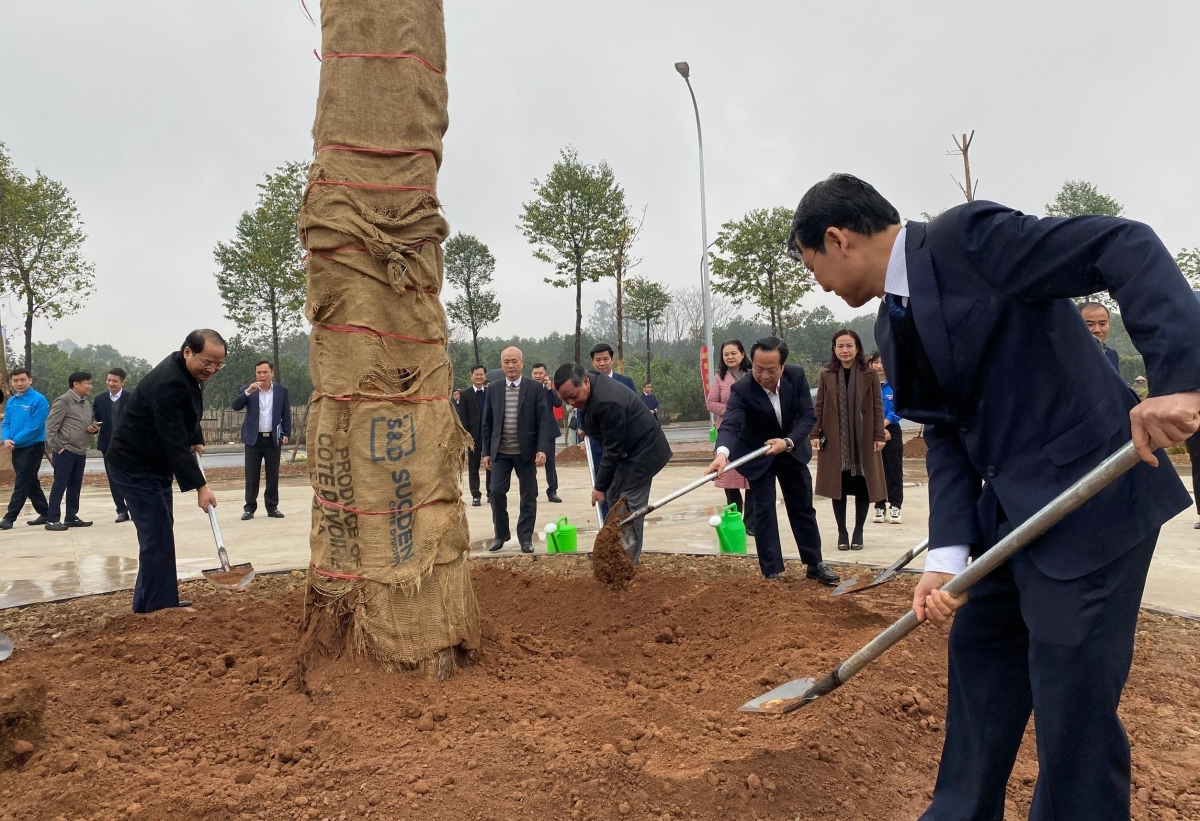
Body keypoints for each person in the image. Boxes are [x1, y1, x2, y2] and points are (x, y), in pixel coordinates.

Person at [787, 172, 1200, 819]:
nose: (822, 285)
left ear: (837, 238)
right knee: (979, 659)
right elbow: (947, 436)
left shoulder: (968, 240)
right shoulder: (892, 326)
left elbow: (1124, 244)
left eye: (816, 267)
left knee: (1072, 711)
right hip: (1007, 519)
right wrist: (947, 555)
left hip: (1094, 501)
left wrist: (1179, 379)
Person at [106, 329, 225, 613]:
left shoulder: (188, 373)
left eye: (218, 364)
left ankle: (147, 603)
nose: (211, 369)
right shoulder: (168, 384)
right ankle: (162, 607)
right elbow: (172, 441)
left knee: (158, 533)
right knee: (157, 535)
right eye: (207, 362)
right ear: (188, 352)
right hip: (133, 465)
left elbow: (189, 410)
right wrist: (201, 487)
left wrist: (196, 436)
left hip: (152, 464)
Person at [707, 337, 840, 585]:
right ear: (752, 362)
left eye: (771, 369)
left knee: (802, 508)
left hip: (790, 450)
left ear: (783, 365)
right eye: (758, 368)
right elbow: (731, 424)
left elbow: (807, 416)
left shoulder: (796, 376)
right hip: (758, 455)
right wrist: (722, 453)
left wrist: (787, 442)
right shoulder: (742, 389)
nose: (764, 375)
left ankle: (814, 563)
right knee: (764, 513)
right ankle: (771, 572)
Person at [555, 363, 671, 563]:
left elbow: (612, 449)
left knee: (629, 508)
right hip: (627, 452)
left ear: (584, 382)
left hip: (644, 453)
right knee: (613, 497)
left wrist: (599, 486)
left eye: (573, 396)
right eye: (565, 399)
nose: (571, 402)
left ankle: (626, 564)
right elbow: (586, 409)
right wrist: (585, 428)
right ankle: (610, 552)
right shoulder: (589, 386)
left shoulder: (607, 401)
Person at [812, 331, 886, 551]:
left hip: (863, 438)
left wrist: (879, 434)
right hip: (836, 440)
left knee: (863, 487)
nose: (844, 350)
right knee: (839, 487)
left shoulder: (869, 373)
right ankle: (842, 531)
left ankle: (858, 530)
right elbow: (819, 405)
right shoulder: (826, 373)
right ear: (834, 349)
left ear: (857, 348)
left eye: (849, 346)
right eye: (840, 346)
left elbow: (877, 406)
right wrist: (814, 433)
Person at [480, 347, 549, 553]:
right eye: (506, 362)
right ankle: (501, 534)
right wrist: (486, 452)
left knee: (529, 494)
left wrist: (542, 449)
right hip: (500, 452)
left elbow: (543, 421)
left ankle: (525, 537)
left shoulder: (534, 388)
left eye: (514, 362)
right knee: (496, 492)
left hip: (525, 452)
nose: (510, 366)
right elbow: (487, 423)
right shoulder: (494, 388)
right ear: (502, 364)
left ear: (522, 363)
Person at [706, 339, 755, 536]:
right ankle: (735, 521)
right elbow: (711, 403)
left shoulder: (752, 374)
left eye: (734, 353)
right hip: (729, 431)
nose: (730, 357)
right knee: (731, 479)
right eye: (726, 354)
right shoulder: (720, 377)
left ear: (743, 354)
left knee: (752, 479)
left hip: (752, 432)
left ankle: (751, 523)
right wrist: (734, 410)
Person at [231, 361, 291, 520]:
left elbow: (286, 414)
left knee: (273, 475)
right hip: (253, 440)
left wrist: (286, 433)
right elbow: (235, 406)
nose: (262, 375)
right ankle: (249, 508)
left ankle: (272, 507)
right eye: (259, 372)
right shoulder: (248, 390)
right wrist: (248, 392)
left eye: (265, 372)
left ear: (272, 373)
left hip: (273, 439)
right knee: (252, 475)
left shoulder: (281, 391)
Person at [44, 371, 98, 531]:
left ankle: (71, 516)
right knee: (60, 485)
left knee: (75, 486)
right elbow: (51, 426)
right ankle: (52, 519)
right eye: (87, 383)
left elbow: (91, 422)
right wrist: (59, 448)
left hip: (80, 450)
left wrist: (93, 429)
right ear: (76, 384)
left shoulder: (86, 404)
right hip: (65, 451)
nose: (90, 386)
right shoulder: (63, 401)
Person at [0, 369, 50, 530]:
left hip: (32, 446)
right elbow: (6, 422)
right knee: (30, 481)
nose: (19, 384)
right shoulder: (12, 401)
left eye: (22, 380)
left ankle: (9, 518)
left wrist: (15, 440)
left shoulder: (39, 400)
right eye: (15, 381)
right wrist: (5, 438)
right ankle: (46, 512)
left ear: (30, 380)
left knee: (22, 482)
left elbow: (34, 427)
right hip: (15, 447)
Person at [93, 367, 133, 522]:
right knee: (113, 478)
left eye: (114, 381)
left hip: (128, 446)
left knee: (130, 478)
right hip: (108, 446)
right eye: (108, 380)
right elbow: (95, 420)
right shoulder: (100, 399)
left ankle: (134, 507)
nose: (110, 383)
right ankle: (121, 510)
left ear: (123, 382)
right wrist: (93, 428)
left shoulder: (132, 398)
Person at [868, 354, 904, 524]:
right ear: (871, 364)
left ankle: (895, 506)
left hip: (892, 429)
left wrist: (883, 425)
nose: (879, 365)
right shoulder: (867, 385)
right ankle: (879, 506)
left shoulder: (896, 386)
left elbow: (898, 409)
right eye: (876, 362)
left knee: (894, 469)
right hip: (871, 430)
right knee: (877, 470)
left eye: (883, 362)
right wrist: (877, 428)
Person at [530, 363, 564, 504]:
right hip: (531, 431)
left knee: (550, 463)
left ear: (545, 374)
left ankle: (552, 491)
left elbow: (558, 403)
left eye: (540, 373)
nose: (538, 376)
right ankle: (532, 492)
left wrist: (550, 389)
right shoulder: (527, 388)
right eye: (535, 373)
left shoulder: (549, 389)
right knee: (530, 464)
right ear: (531, 374)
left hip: (549, 431)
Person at [456, 364, 489, 506]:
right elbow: (462, 416)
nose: (479, 377)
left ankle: (491, 492)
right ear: (471, 376)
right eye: (476, 374)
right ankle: (476, 494)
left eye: (481, 374)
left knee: (491, 465)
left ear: (485, 376)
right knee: (474, 467)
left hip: (488, 435)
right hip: (473, 437)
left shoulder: (490, 392)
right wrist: (466, 435)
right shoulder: (465, 394)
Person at [1080, 301, 1122, 375]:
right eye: (1089, 324)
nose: (1097, 330)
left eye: (1102, 324)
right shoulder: (1068, 356)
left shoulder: (1111, 354)